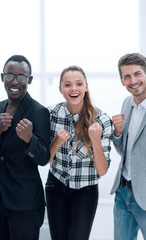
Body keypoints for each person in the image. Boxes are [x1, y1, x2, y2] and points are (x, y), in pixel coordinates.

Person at [0, 55, 50, 240]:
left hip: (26, 203)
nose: (15, 82)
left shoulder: (39, 112)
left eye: (21, 77)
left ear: (29, 80)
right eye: (9, 76)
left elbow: (44, 157)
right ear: (2, 77)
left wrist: (29, 140)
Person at [45, 65, 112, 240]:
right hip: (56, 186)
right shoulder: (50, 115)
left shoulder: (102, 119)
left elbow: (102, 171)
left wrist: (95, 140)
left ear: (86, 87)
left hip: (85, 190)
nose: (73, 88)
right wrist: (57, 142)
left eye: (79, 84)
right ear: (60, 89)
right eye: (67, 85)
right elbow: (44, 160)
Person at [111, 53, 146, 239]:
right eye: (127, 76)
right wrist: (117, 133)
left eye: (137, 74)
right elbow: (124, 151)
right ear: (121, 80)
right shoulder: (127, 103)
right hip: (122, 194)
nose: (133, 81)